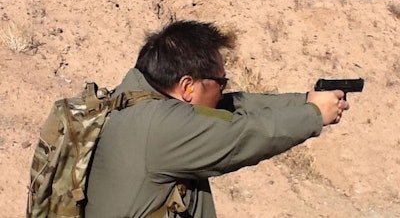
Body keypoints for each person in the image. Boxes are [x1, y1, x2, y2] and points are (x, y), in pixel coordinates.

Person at [85, 20, 349, 218]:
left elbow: (235, 106)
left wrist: (305, 99)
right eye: (221, 82)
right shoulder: (161, 127)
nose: (223, 90)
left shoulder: (135, 101)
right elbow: (244, 134)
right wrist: (313, 115)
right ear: (188, 87)